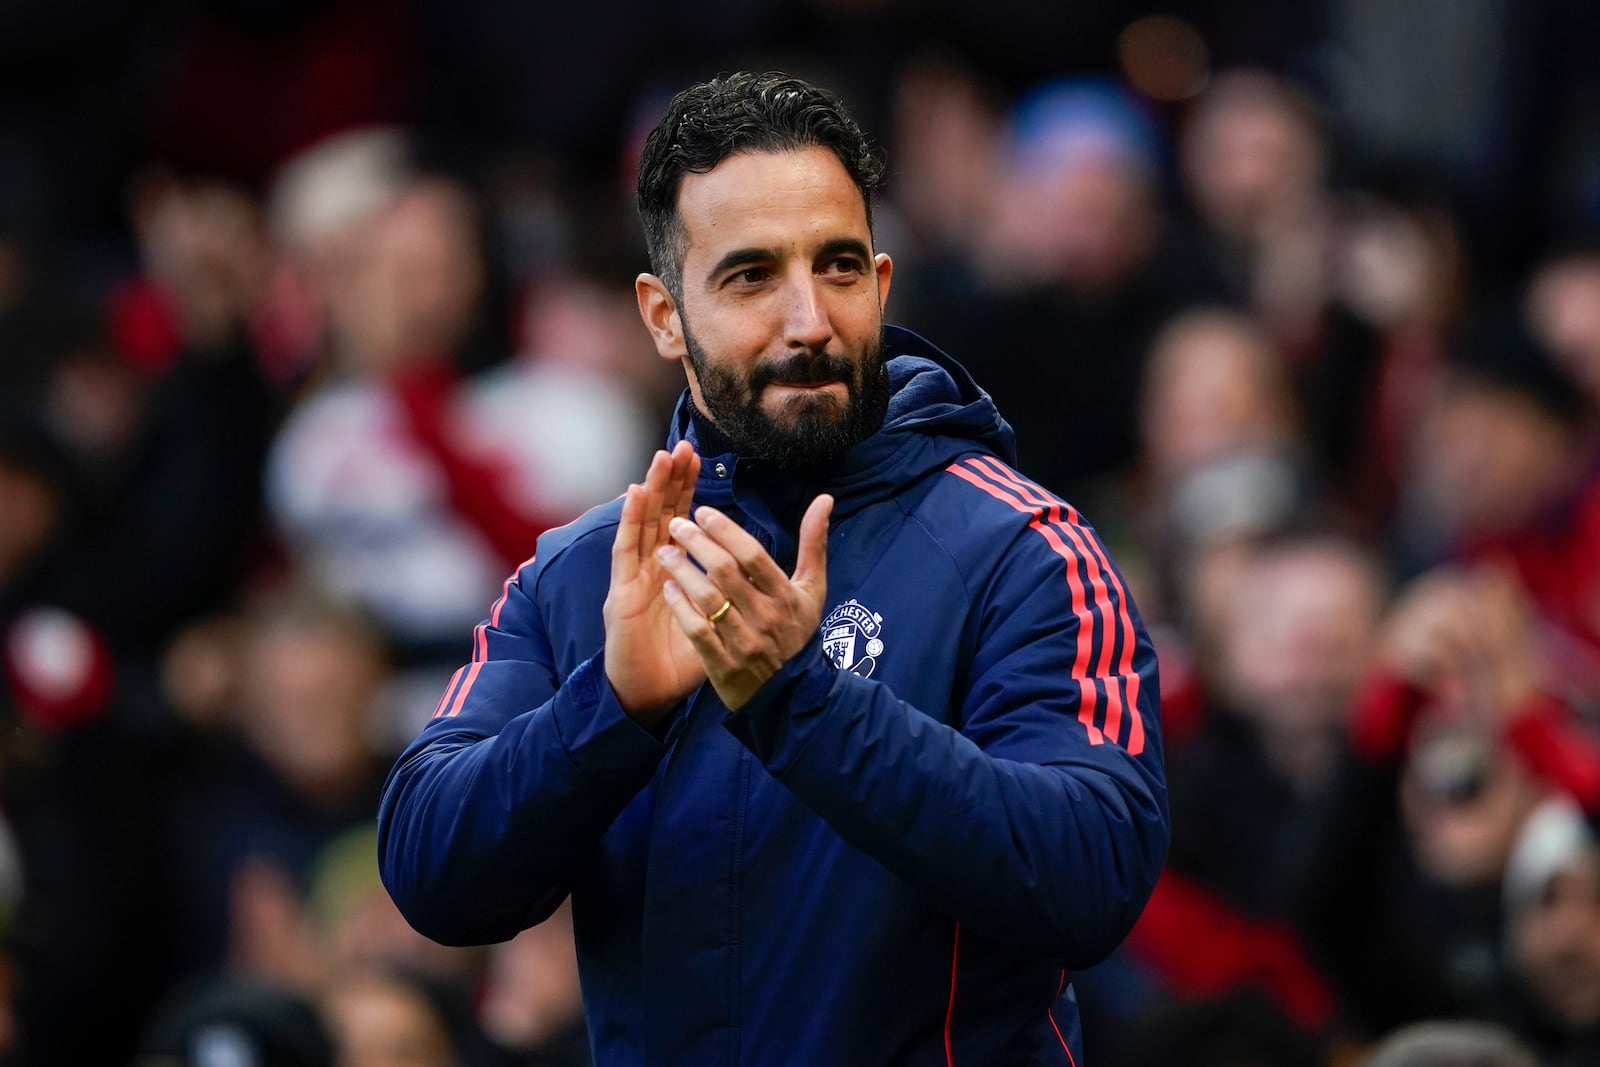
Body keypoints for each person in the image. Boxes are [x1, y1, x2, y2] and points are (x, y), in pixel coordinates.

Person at [378, 71, 1168, 1066]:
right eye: (751, 277)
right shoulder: (584, 576)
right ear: (663, 316)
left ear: (881, 285)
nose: (808, 321)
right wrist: (611, 708)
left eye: (836, 268)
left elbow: (1093, 875)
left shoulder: (1021, 548)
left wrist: (802, 701)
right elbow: (428, 870)